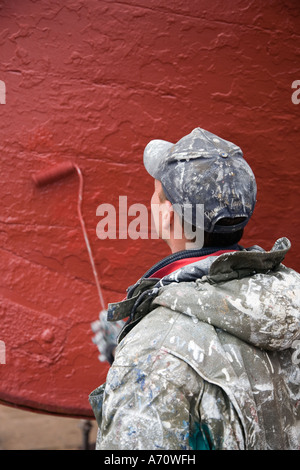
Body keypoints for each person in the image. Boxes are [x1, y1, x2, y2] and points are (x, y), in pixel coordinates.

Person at [89, 127, 300, 450]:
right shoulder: (292, 296)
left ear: (167, 214)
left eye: (156, 192)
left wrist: (137, 361)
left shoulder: (152, 353)